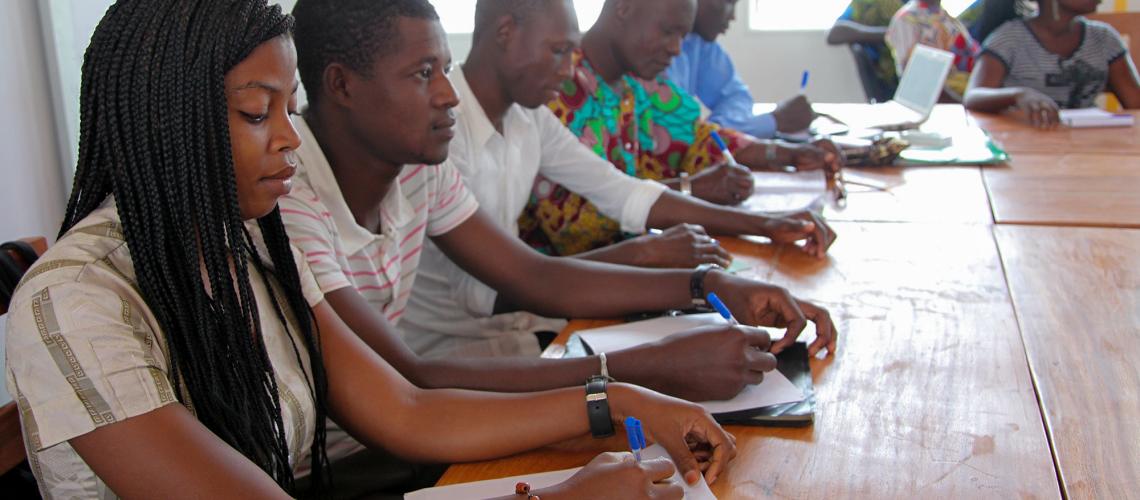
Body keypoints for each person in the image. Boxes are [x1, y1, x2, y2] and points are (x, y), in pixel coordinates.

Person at [4, 1, 739, 497]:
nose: (291, 138)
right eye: (259, 114)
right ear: (170, 121)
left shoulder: (248, 243)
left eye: (288, 111)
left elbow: (409, 409)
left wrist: (616, 403)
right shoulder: (75, 299)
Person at [284, 0, 836, 383]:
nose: (448, 95)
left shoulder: (424, 165)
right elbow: (413, 374)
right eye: (425, 72)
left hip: (448, 372)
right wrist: (645, 361)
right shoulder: (299, 199)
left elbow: (541, 268)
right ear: (340, 85)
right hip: (439, 371)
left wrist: (705, 283)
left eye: (444, 69)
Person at [526, 0, 843, 259]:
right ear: (623, 7)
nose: (677, 49)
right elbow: (579, 223)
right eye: (668, 31)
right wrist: (691, 188)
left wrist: (783, 152)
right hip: (557, 292)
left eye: (682, 34)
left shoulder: (638, 82)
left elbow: (698, 139)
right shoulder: (558, 90)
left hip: (628, 267)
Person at [965, 0, 1140, 127]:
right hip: (1025, 142)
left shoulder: (1104, 39)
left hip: (1090, 144)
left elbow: (1136, 103)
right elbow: (973, 96)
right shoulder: (1009, 38)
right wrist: (1019, 95)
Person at [666, 0, 815, 138]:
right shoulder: (654, 52)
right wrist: (773, 121)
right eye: (728, 2)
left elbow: (736, 96)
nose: (733, 16)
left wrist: (717, 132)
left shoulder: (700, 43)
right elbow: (675, 134)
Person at [827, 0, 982, 101]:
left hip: (963, 89)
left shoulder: (941, 15)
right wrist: (889, 34)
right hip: (910, 90)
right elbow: (836, 33)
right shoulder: (904, 17)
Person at [885, 0, 981, 101]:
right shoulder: (906, 19)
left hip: (972, 88)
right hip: (946, 99)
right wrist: (962, 104)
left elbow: (975, 56)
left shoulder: (944, 15)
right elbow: (916, 80)